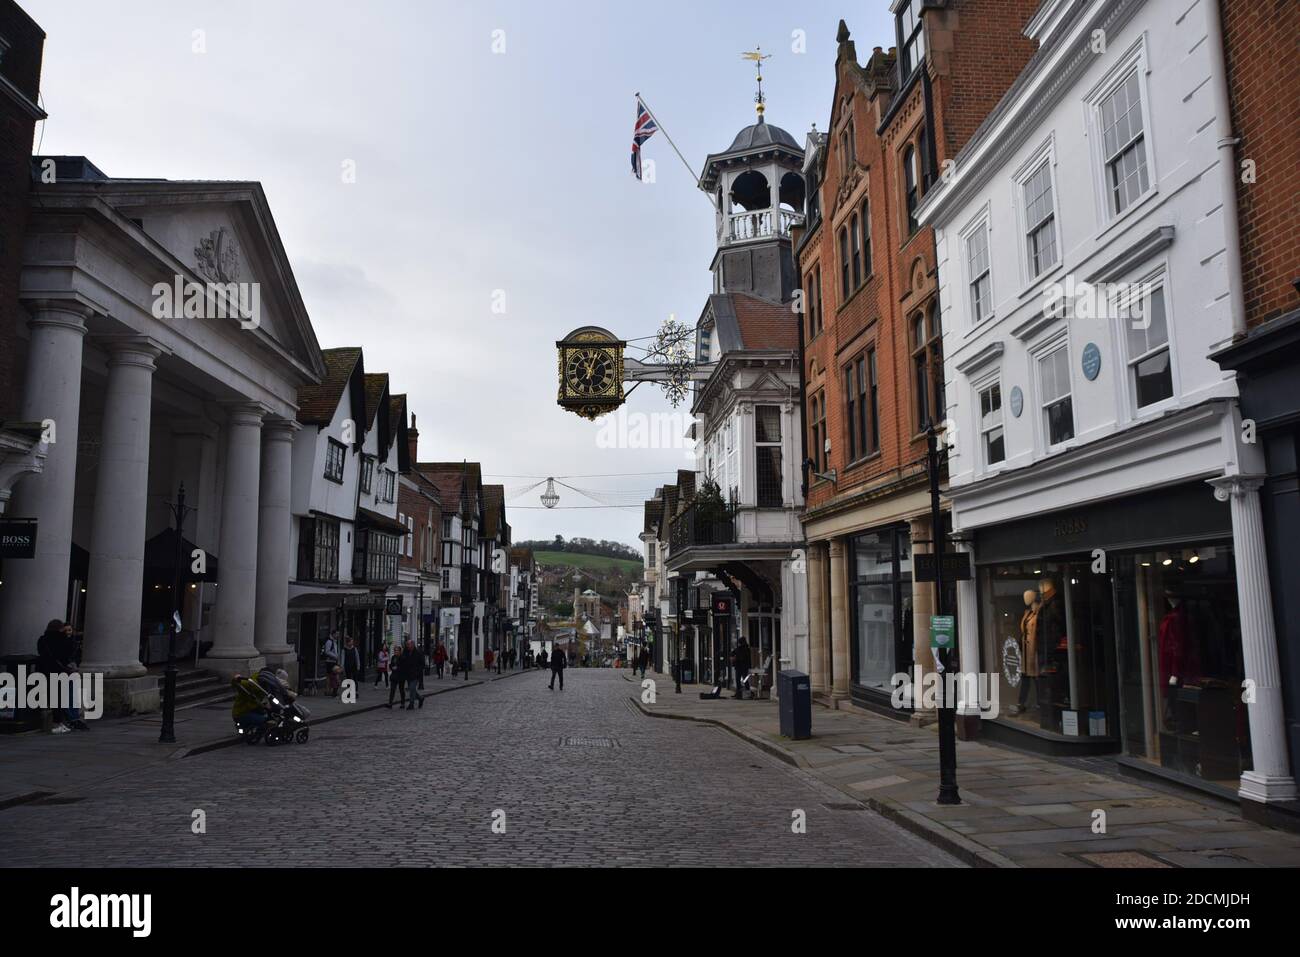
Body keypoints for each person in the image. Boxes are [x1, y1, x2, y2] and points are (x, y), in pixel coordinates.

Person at [36, 620, 88, 732]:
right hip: (60, 671)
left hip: (46, 671)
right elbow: (66, 654)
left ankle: (59, 722)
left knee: (55, 697)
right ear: (60, 629)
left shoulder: (42, 639)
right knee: (62, 696)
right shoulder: (61, 639)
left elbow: (42, 653)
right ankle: (61, 722)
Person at [400, 638, 426, 709]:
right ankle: (420, 698)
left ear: (412, 645)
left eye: (409, 644)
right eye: (407, 645)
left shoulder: (418, 653)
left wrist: (418, 671)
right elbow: (403, 661)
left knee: (411, 688)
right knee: (412, 689)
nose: (407, 646)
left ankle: (411, 704)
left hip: (415, 674)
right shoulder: (406, 652)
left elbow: (422, 664)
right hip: (408, 674)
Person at [387, 644, 407, 709]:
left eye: (397, 650)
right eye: (395, 650)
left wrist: (397, 668)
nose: (395, 652)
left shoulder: (403, 657)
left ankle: (403, 703)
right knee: (392, 689)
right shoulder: (393, 657)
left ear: (400, 651)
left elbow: (404, 667)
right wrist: (392, 667)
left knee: (401, 690)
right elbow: (391, 665)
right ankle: (390, 703)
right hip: (394, 676)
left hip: (401, 676)